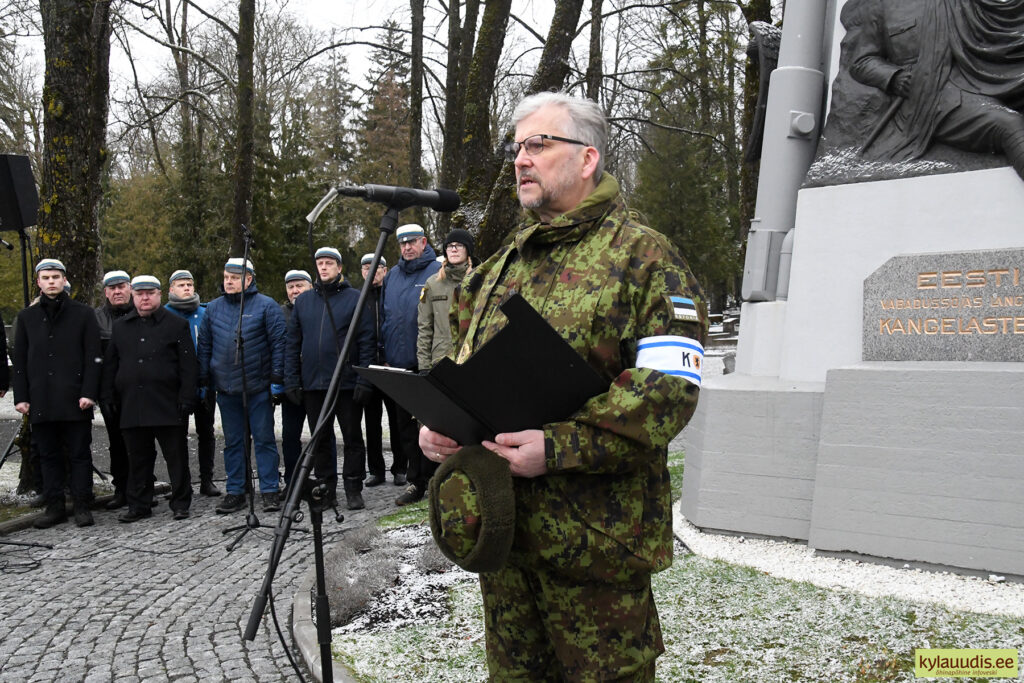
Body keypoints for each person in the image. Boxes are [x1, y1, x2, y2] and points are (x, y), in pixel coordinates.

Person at [419, 92, 708, 680]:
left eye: (539, 144)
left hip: (595, 546)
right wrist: (445, 422)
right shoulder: (499, 268)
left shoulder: (645, 259)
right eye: (518, 147)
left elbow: (668, 389)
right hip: (504, 538)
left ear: (586, 159)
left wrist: (558, 448)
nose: (522, 159)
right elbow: (469, 371)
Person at [844, 0, 1024, 177]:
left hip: (977, 78)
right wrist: (893, 77)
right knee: (1009, 125)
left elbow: (1000, 21)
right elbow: (861, 62)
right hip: (931, 96)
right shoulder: (881, 5)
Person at [13, 258, 103, 528]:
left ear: (64, 280)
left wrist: (89, 392)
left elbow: (93, 357)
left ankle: (82, 504)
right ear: (39, 283)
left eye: (56, 277)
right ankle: (54, 506)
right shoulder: (26, 317)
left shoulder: (83, 314)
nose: (51, 282)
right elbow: (20, 360)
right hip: (41, 398)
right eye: (46, 278)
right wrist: (22, 396)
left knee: (79, 453)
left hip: (76, 398)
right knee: (47, 455)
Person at [101, 275, 198, 523]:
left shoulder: (176, 325)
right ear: (133, 295)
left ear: (159, 294)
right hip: (132, 403)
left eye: (150, 293)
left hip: (168, 403)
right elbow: (111, 364)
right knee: (137, 459)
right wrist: (108, 395)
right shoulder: (121, 328)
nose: (145, 298)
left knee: (176, 457)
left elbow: (189, 365)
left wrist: (188, 396)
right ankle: (139, 504)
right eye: (140, 294)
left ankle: (180, 502)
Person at [284, 248, 374, 510]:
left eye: (329, 263)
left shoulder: (356, 299)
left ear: (339, 268)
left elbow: (366, 341)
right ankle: (326, 489)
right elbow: (292, 344)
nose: (323, 268)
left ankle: (353, 487)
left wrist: (364, 379)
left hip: (346, 383)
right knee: (320, 440)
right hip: (313, 384)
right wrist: (292, 379)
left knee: (352, 438)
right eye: (319, 264)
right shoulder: (304, 302)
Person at [197, 257, 286, 514]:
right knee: (233, 442)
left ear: (248, 279)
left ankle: (269, 490)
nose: (228, 282)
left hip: (257, 387)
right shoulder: (213, 309)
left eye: (234, 278)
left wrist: (277, 379)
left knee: (264, 440)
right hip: (226, 388)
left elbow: (278, 345)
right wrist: (204, 380)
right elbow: (205, 346)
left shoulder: (266, 307)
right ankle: (236, 489)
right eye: (226, 277)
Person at [381, 224, 441, 506]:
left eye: (412, 242)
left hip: (429, 364)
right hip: (398, 363)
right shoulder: (392, 275)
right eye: (402, 243)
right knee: (405, 428)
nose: (406, 247)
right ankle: (416, 482)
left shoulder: (436, 270)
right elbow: (387, 317)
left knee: (434, 426)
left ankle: (439, 479)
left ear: (424, 242)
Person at [164, 269, 221, 497]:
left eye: (189, 284)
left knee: (206, 432)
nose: (186, 288)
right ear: (171, 289)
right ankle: (181, 482)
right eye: (181, 285)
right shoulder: (164, 315)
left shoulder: (205, 313)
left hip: (205, 382)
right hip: (176, 386)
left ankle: (207, 479)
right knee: (176, 436)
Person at [278, 268, 335, 490]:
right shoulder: (279, 313)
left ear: (310, 287)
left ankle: (324, 482)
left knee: (321, 436)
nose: (295, 291)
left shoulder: (321, 308)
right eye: (291, 287)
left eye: (299, 286)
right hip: (292, 384)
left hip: (316, 383)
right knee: (290, 436)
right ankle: (293, 482)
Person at [94, 270, 135, 509]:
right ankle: (121, 488)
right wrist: (103, 392)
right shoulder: (96, 318)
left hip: (137, 390)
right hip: (111, 391)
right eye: (112, 288)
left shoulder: (140, 312)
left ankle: (142, 486)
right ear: (106, 292)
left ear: (129, 288)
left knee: (141, 443)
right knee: (116, 443)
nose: (118, 292)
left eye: (121, 287)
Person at [416, 229, 474, 372]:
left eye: (459, 245)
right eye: (450, 246)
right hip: (441, 360)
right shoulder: (432, 284)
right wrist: (424, 366)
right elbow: (424, 327)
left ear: (468, 250)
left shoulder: (481, 280)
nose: (453, 249)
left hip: (473, 358)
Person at [358, 253, 391, 487]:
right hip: (370, 366)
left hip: (392, 364)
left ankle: (400, 467)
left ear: (385, 270)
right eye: (366, 268)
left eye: (376, 267)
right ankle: (376, 470)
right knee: (372, 422)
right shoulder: (358, 298)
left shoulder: (392, 293)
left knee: (399, 420)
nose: (371, 272)